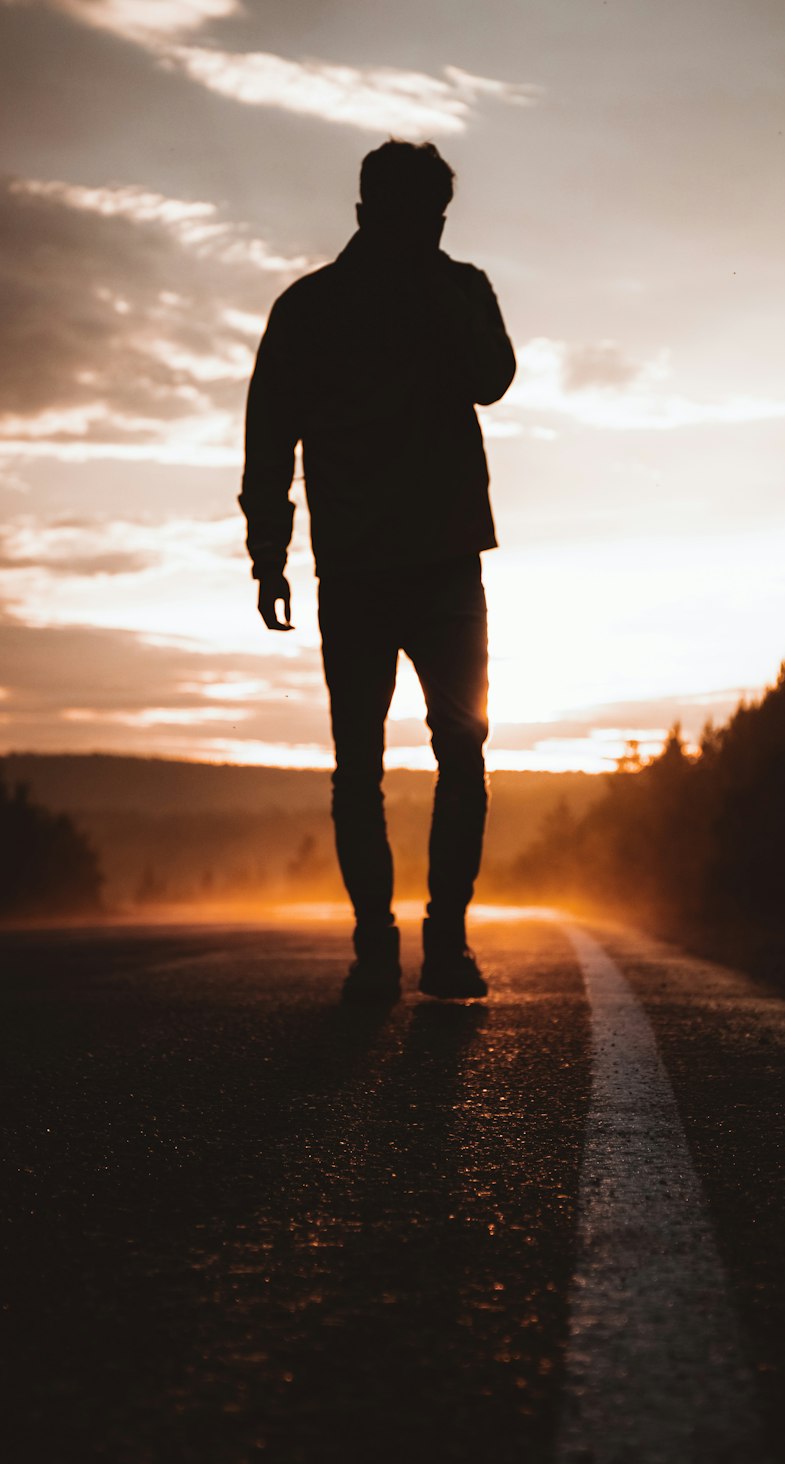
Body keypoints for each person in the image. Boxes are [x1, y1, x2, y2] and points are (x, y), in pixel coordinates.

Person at [238, 140, 516, 1003]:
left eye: (432, 220)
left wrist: (435, 289)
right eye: (409, 217)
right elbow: (269, 435)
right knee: (361, 766)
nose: (422, 233)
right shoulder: (312, 309)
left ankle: (442, 942)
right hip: (363, 569)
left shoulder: (457, 289)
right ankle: (376, 947)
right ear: (367, 214)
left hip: (437, 565)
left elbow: (494, 378)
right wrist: (269, 550)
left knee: (457, 753)